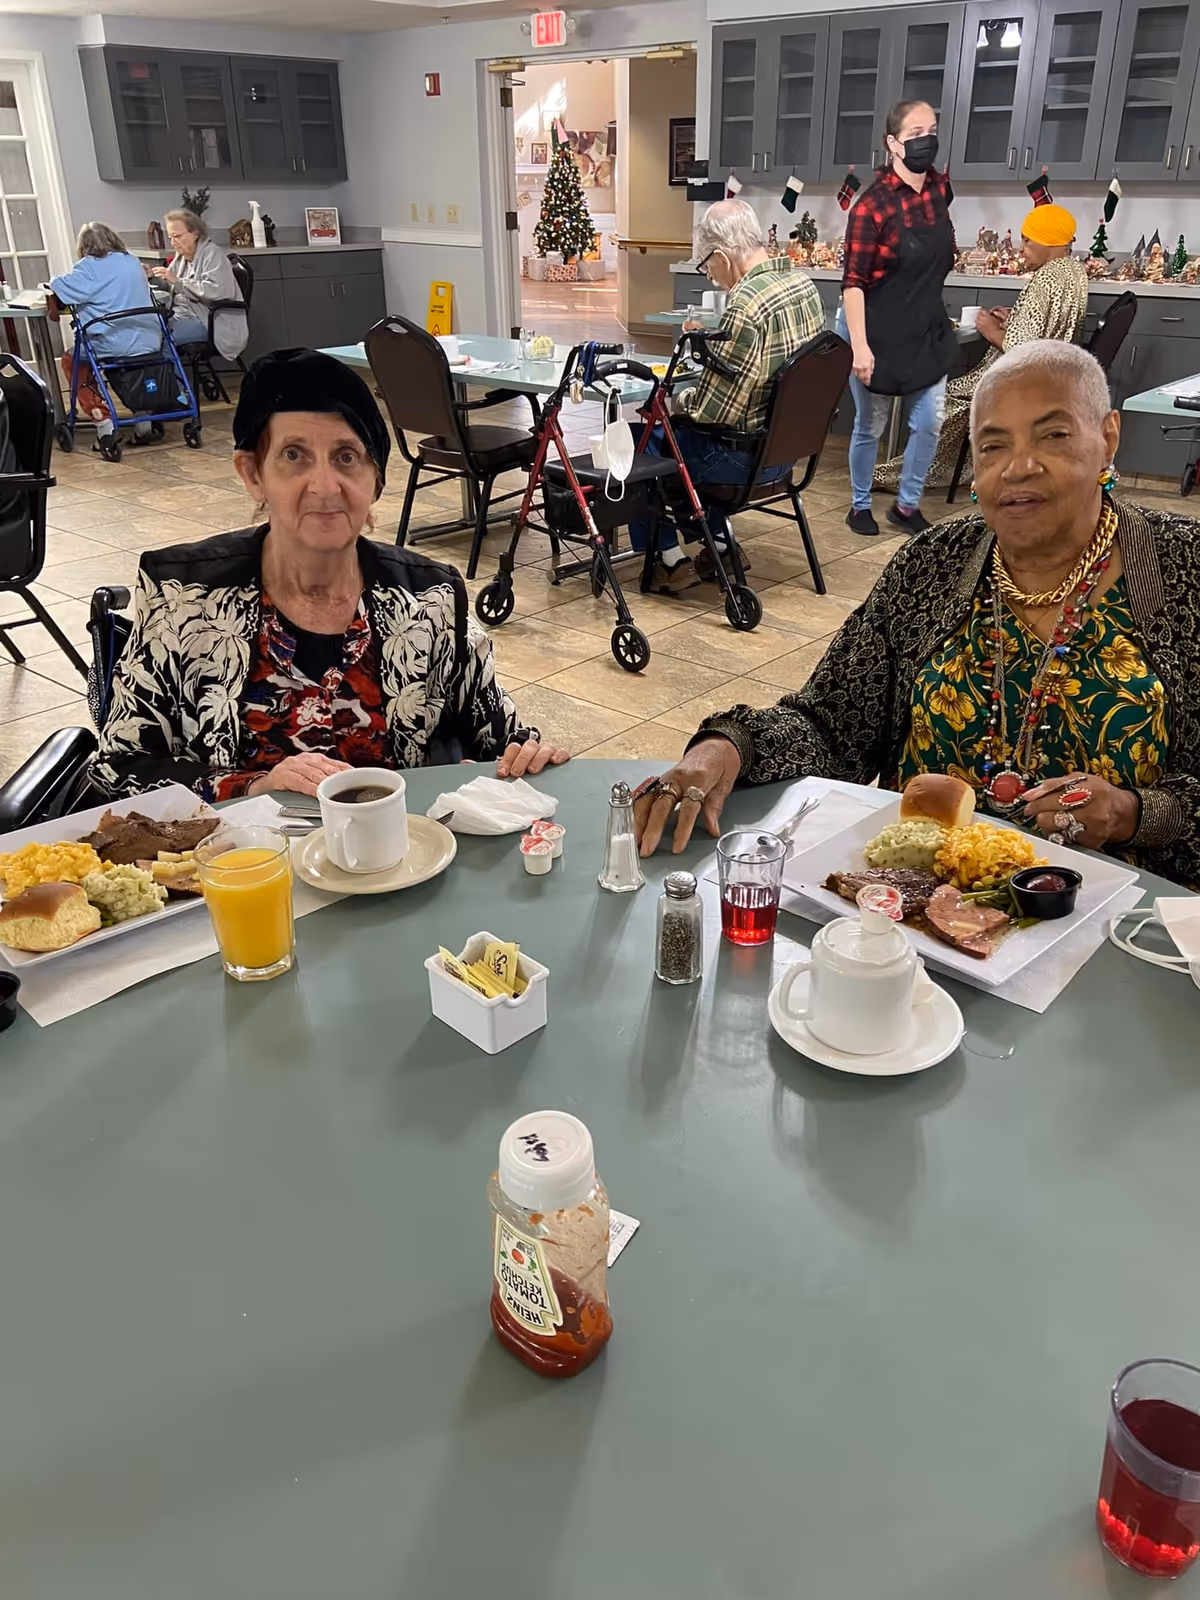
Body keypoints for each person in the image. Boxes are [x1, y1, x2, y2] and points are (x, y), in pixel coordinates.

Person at [632, 341, 1200, 890]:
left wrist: (1134, 813)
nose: (1019, 467)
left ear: (1107, 437)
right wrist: (730, 745)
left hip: (1117, 929)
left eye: (1052, 435)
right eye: (992, 446)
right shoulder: (933, 564)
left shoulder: (1185, 571)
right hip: (913, 911)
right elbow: (832, 725)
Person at [90, 348, 569, 801]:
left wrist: (523, 758)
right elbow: (118, 767)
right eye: (294, 455)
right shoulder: (184, 595)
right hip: (245, 871)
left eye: (346, 457)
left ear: (374, 480)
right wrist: (251, 786)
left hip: (398, 866)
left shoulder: (431, 597)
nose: (324, 485)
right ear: (254, 473)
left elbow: (501, 741)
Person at [629, 198, 824, 595]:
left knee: (645, 440)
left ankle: (668, 559)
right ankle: (720, 544)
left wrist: (673, 405)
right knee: (674, 442)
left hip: (741, 462)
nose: (710, 276)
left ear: (721, 255)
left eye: (707, 265)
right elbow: (770, 370)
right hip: (786, 455)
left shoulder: (746, 304)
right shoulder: (804, 286)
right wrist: (712, 344)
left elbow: (714, 414)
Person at [875, 204, 1088, 492]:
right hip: (1052, 378)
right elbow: (1049, 327)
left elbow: (1021, 349)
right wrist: (1015, 318)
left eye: (1027, 240)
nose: (1021, 249)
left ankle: (907, 473)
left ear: (1048, 241)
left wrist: (990, 330)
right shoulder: (1073, 272)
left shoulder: (1045, 279)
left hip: (1016, 382)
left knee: (941, 395)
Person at [838, 100, 955, 538]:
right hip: (878, 331)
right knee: (871, 424)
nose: (927, 141)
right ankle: (860, 504)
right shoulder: (871, 207)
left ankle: (906, 506)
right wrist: (859, 345)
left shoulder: (940, 189)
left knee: (929, 421)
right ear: (892, 144)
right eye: (916, 134)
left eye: (933, 130)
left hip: (926, 327)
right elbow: (853, 282)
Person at [47, 222, 162, 441]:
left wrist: (52, 280)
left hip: (114, 343)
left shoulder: (87, 267)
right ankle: (143, 417)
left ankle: (102, 421)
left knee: (73, 360)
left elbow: (62, 287)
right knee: (131, 362)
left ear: (84, 246)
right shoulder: (132, 261)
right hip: (150, 339)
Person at [149, 210, 247, 361]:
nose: (173, 242)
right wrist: (152, 276)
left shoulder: (212, 254)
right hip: (180, 317)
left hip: (208, 321)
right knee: (148, 335)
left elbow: (217, 291)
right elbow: (170, 284)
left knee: (162, 341)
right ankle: (161, 384)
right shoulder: (181, 257)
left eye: (177, 236)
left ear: (195, 233)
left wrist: (178, 281)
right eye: (170, 237)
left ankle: (173, 385)